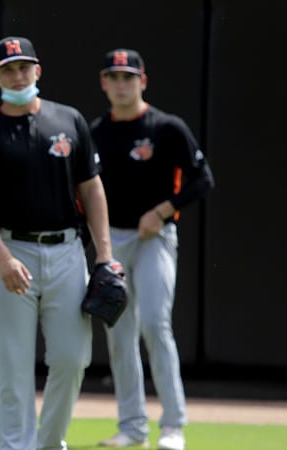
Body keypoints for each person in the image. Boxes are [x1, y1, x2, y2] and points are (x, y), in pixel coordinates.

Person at [0, 36, 115, 450]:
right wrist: (2, 258)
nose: (17, 74)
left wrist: (105, 256)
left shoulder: (69, 120)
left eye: (23, 66)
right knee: (12, 369)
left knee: (72, 359)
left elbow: (92, 189)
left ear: (38, 70)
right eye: (8, 69)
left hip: (67, 250)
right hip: (13, 250)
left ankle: (48, 443)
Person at [90, 48, 215, 450]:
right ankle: (132, 427)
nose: (122, 84)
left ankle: (173, 426)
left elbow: (202, 178)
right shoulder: (97, 132)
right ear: (104, 83)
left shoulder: (167, 127)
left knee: (156, 325)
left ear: (142, 82)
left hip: (155, 238)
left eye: (129, 77)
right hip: (113, 239)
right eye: (114, 77)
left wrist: (162, 212)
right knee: (119, 332)